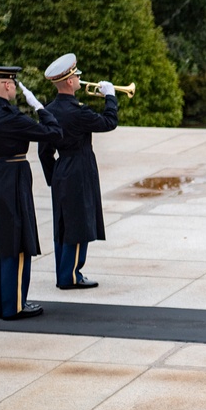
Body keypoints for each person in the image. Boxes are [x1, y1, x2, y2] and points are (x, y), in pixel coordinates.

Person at [0, 66, 63, 320]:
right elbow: (54, 134)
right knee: (17, 243)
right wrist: (42, 110)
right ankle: (15, 305)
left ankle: (2, 304)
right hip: (13, 180)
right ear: (8, 85)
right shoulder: (11, 118)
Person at [38, 53, 118, 289]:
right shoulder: (78, 112)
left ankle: (64, 272)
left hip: (62, 167)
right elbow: (109, 122)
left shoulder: (48, 111)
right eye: (77, 76)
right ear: (70, 82)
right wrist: (110, 97)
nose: (80, 79)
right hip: (79, 169)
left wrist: (54, 177)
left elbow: (44, 151)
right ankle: (71, 276)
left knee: (63, 225)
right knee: (78, 224)